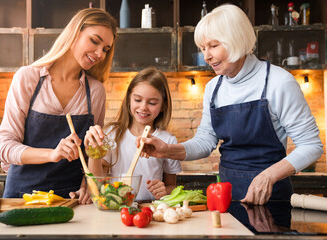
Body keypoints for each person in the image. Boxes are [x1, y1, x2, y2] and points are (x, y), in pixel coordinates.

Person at [138, 4, 323, 205]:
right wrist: (167, 150)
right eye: (203, 48)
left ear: (236, 39)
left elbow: (311, 146)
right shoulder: (213, 88)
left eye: (213, 46)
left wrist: (268, 175)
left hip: (270, 198)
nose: (206, 56)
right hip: (226, 196)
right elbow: (205, 141)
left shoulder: (279, 82)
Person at [0, 8, 117, 203]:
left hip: (71, 200)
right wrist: (53, 154)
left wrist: (87, 184)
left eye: (106, 49)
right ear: (75, 33)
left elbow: (93, 152)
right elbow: (4, 146)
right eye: (94, 41)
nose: (100, 53)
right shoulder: (28, 78)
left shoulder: (95, 91)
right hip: (22, 196)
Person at [85, 67, 181, 201]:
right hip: (116, 207)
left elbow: (172, 186)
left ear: (163, 105)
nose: (143, 107)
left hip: (150, 209)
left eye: (152, 102)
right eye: (137, 100)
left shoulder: (168, 141)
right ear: (129, 99)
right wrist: (93, 150)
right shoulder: (112, 133)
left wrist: (165, 190)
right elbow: (97, 180)